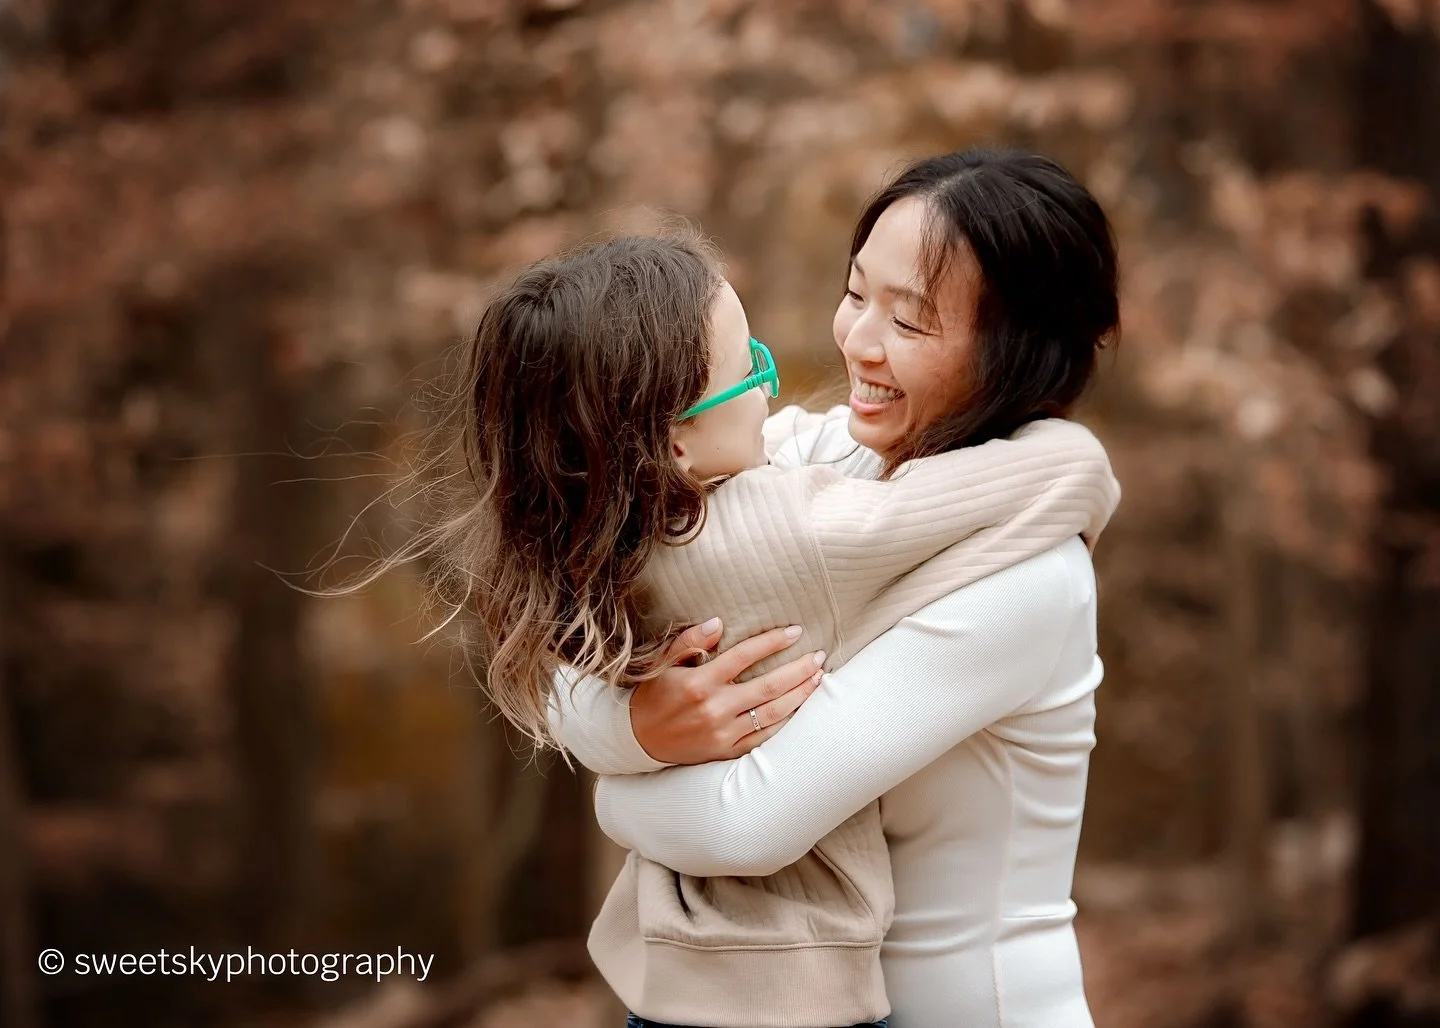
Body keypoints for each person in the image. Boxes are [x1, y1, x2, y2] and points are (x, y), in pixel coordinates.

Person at [379, 216, 1115, 1025]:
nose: (778, 390)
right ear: (673, 445)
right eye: (854, 294)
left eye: (907, 318)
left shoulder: (610, 531)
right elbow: (1043, 480)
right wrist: (1077, 456)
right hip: (792, 995)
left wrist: (626, 759)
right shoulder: (803, 529)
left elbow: (559, 675)